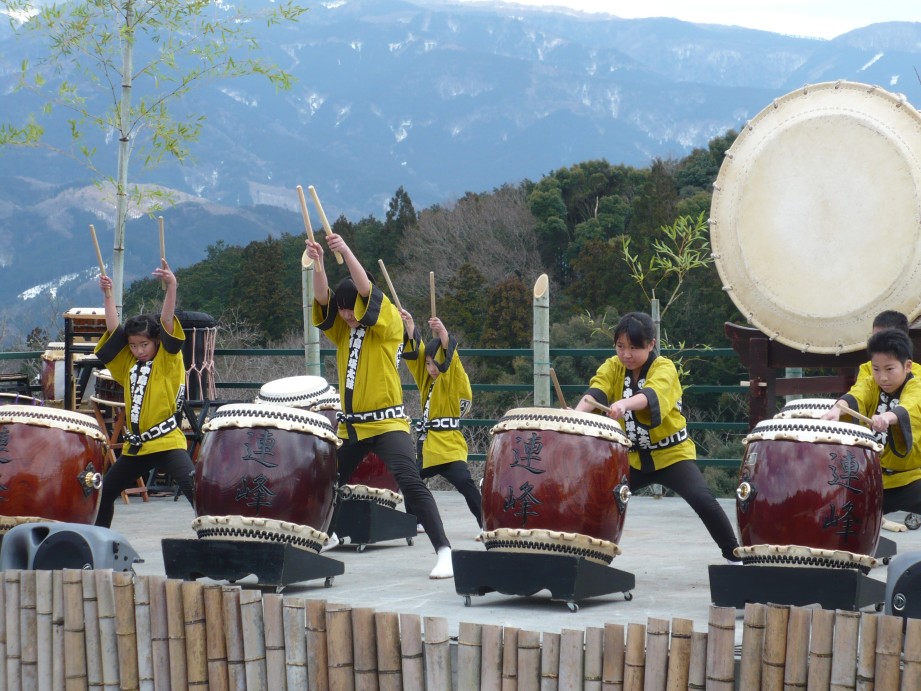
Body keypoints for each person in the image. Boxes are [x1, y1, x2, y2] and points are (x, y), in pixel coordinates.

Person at [304, 233, 454, 579]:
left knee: (411, 481)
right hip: (351, 426)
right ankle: (322, 535)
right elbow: (323, 298)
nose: (346, 314)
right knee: (325, 479)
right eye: (342, 309)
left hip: (387, 424)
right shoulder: (342, 331)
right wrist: (319, 263)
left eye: (351, 307)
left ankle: (444, 550)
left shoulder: (386, 327)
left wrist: (346, 251)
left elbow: (367, 289)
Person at [573, 311, 741, 563]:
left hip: (671, 455)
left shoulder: (665, 367)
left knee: (703, 500)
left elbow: (653, 395)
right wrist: (575, 416)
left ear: (651, 345)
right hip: (631, 459)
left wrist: (625, 404)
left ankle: (734, 556)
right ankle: (588, 556)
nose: (626, 354)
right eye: (620, 346)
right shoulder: (613, 366)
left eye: (634, 347)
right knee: (599, 499)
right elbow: (596, 391)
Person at [93, 262, 195, 528]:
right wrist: (108, 295)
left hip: (167, 442)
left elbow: (166, 321)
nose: (138, 350)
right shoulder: (129, 364)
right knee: (104, 494)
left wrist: (172, 286)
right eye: (134, 346)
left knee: (196, 489)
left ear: (157, 341)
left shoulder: (167, 360)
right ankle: (100, 544)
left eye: (144, 344)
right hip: (137, 446)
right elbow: (115, 332)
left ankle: (220, 543)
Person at [822, 328, 921, 516]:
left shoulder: (917, 384)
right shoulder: (871, 383)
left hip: (912, 479)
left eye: (890, 369)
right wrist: (837, 409)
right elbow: (857, 394)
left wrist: (888, 417)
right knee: (834, 510)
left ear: (907, 366)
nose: (882, 377)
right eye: (876, 369)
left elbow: (912, 405)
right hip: (871, 479)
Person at [399, 311, 482, 531]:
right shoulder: (427, 381)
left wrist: (443, 332)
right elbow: (415, 359)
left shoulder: (452, 379)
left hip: (448, 444)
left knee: (465, 483)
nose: (432, 369)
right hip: (428, 444)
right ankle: (415, 521)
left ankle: (486, 523)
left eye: (435, 363)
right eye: (428, 364)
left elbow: (451, 361)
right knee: (411, 480)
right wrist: (410, 326)